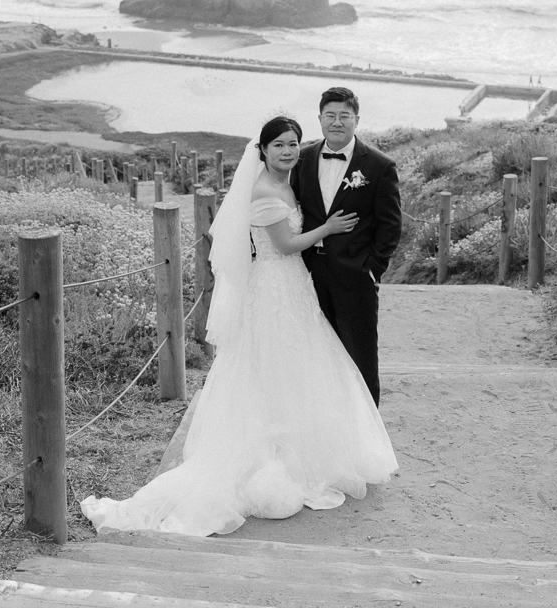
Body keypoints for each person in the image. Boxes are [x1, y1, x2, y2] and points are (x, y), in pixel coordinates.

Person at [80, 116, 397, 536]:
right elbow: (284, 245)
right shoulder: (265, 190)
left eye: (293, 144)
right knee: (271, 365)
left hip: (293, 288)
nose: (288, 151)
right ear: (262, 150)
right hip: (273, 288)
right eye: (279, 145)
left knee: (295, 368)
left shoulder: (286, 182)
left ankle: (291, 449)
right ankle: (268, 458)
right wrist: (328, 228)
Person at [291, 87, 402, 405]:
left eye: (344, 116)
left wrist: (372, 269)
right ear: (320, 119)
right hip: (308, 272)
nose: (336, 122)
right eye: (330, 116)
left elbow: (390, 225)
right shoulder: (304, 158)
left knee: (360, 355)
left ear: (356, 120)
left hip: (356, 275)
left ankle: (368, 433)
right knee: (316, 350)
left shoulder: (379, 166)